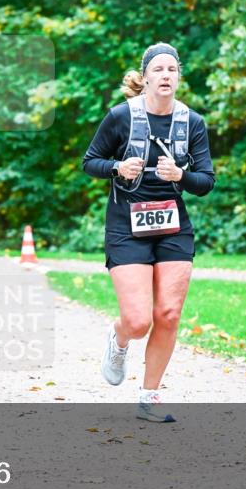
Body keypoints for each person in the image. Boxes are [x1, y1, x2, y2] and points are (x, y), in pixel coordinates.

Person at [82, 42, 215, 422]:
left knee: (169, 313)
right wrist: (117, 168)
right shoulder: (121, 117)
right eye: (158, 69)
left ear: (179, 77)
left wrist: (182, 176)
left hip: (173, 226)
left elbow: (206, 181)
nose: (166, 76)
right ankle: (119, 339)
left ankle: (149, 396)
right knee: (139, 320)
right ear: (145, 77)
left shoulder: (193, 122)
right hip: (127, 225)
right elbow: (90, 162)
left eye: (172, 70)